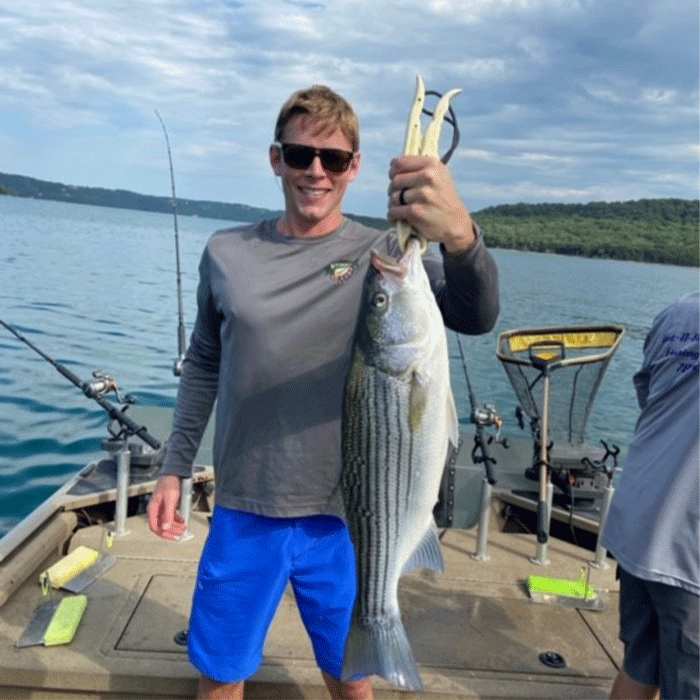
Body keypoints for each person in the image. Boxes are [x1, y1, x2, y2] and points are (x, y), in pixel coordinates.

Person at [147, 84, 500, 700]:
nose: (316, 171)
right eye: (300, 154)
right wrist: (175, 465)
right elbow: (203, 361)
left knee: (351, 681)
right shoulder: (227, 251)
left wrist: (462, 236)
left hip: (348, 514)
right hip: (244, 505)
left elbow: (476, 313)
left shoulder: (387, 254)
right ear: (275, 158)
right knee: (220, 677)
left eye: (333, 159)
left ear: (354, 167)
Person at [600, 291, 699, 700]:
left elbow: (651, 397)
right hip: (688, 553)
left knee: (640, 666)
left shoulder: (677, 313)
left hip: (638, 526)